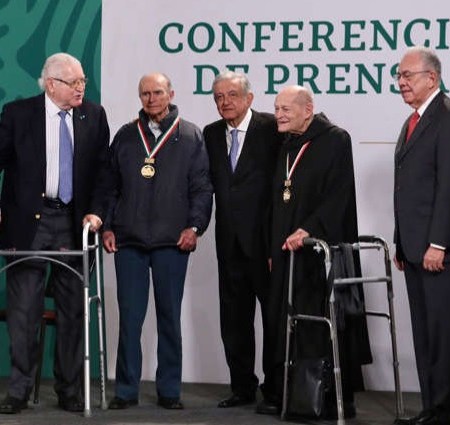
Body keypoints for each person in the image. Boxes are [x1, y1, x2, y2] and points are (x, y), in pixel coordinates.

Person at [0, 52, 110, 414]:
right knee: (23, 311)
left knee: (73, 310)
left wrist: (97, 212)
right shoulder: (18, 115)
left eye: (82, 81)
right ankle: (18, 391)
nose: (80, 88)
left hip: (73, 222)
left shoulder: (93, 115)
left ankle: (69, 390)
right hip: (27, 223)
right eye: (73, 82)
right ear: (51, 84)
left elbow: (103, 172)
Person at [256, 85, 371, 418]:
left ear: (307, 110)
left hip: (318, 252)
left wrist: (310, 229)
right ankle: (290, 395)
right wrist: (271, 246)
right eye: (276, 108)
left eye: (285, 109)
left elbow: (339, 194)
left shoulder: (335, 139)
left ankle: (326, 396)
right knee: (285, 321)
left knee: (320, 322)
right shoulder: (286, 144)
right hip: (285, 252)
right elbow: (277, 199)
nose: (278, 115)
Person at [102, 72, 212, 411]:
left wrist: (195, 227)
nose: (151, 99)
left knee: (169, 317)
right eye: (145, 94)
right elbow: (110, 187)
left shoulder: (190, 135)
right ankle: (125, 390)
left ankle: (169, 390)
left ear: (171, 94)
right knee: (130, 319)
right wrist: (108, 226)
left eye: (158, 92)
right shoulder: (125, 136)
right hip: (129, 241)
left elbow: (202, 188)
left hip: (172, 242)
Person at [203, 71, 280, 408]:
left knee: (273, 320)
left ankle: (275, 389)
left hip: (266, 244)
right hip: (229, 243)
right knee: (234, 320)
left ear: (249, 98)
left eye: (232, 95)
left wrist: (276, 240)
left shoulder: (272, 129)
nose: (225, 102)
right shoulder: (210, 134)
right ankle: (242, 387)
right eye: (219, 97)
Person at [393, 46, 450, 425]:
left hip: (436, 250)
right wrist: (401, 240)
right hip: (413, 248)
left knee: (442, 337)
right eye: (399, 76)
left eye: (407, 75)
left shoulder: (445, 116)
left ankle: (443, 411)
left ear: (432, 77)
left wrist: (439, 242)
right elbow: (407, 187)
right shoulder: (413, 120)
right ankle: (432, 408)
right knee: (424, 334)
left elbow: (448, 186)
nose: (401, 82)